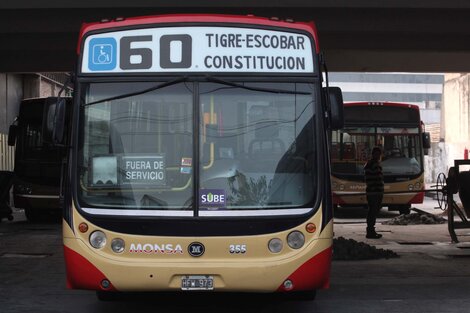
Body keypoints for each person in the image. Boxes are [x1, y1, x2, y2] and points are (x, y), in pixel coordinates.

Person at [364, 146, 384, 239]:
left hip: (374, 191)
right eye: (377, 154)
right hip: (374, 192)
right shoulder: (373, 164)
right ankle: (370, 231)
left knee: (373, 211)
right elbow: (376, 179)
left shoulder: (370, 164)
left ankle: (371, 230)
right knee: (373, 211)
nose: (378, 156)